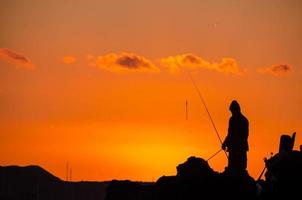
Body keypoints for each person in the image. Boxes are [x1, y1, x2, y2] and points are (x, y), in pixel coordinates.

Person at [222, 100, 249, 174]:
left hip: (237, 148)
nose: (232, 113)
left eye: (232, 111)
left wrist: (225, 143)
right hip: (239, 148)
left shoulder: (234, 120)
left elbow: (231, 134)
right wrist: (225, 143)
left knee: (236, 168)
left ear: (236, 110)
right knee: (237, 168)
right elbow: (230, 134)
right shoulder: (244, 120)